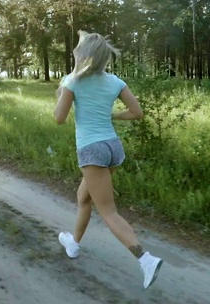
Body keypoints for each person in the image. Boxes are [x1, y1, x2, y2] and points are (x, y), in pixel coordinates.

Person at [53, 30, 163, 289]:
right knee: (84, 198)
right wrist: (112, 116)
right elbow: (137, 113)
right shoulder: (115, 81)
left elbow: (58, 118)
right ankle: (73, 244)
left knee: (109, 212)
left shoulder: (73, 81)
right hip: (113, 148)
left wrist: (62, 88)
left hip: (92, 151)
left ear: (84, 56)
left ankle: (145, 259)